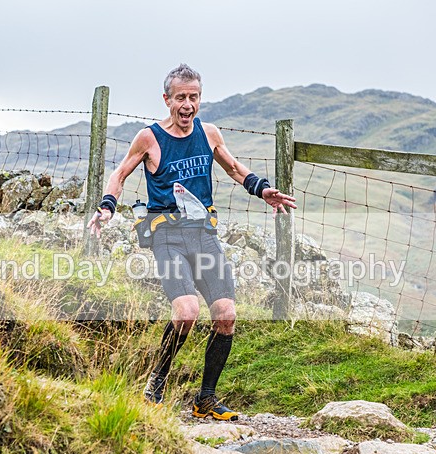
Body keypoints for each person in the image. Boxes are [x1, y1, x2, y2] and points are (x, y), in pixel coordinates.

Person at [87, 64, 297, 421]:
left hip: (204, 234)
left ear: (200, 99)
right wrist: (107, 207)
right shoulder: (149, 138)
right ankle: (156, 382)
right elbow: (119, 174)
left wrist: (263, 190)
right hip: (167, 236)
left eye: (194, 97)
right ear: (166, 99)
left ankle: (206, 399)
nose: (188, 105)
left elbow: (233, 168)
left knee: (226, 315)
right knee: (186, 313)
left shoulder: (209, 133)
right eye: (180, 97)